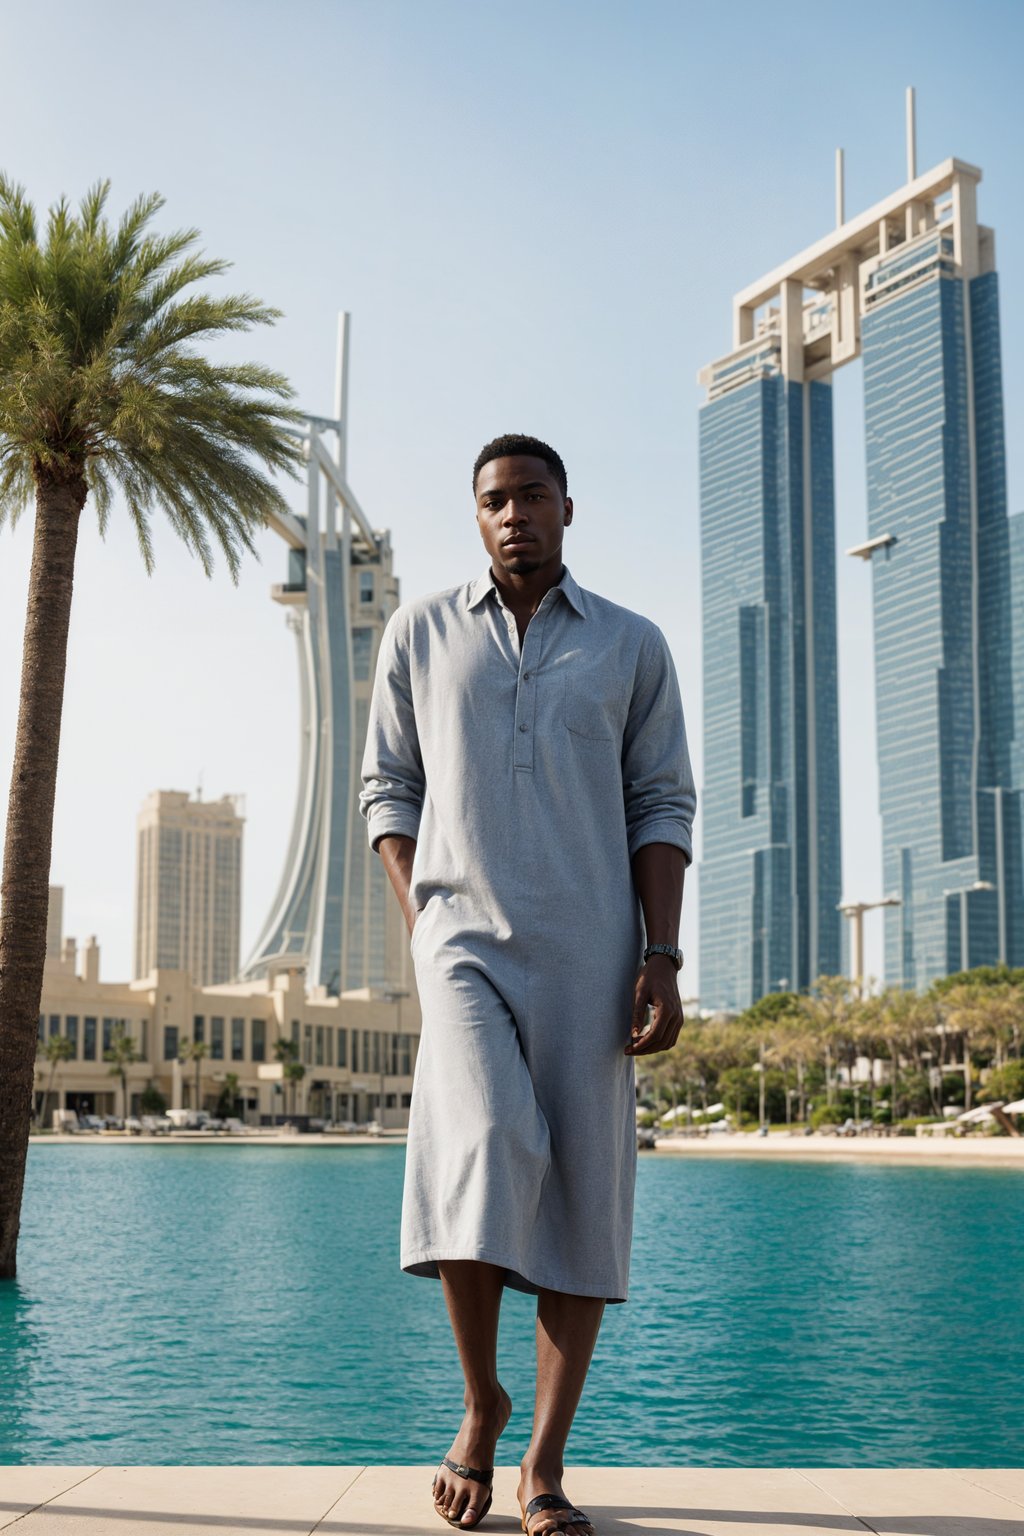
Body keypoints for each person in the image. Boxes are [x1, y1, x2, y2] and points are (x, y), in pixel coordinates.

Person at [359, 433, 696, 1535]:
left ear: (566, 508)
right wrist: (420, 922)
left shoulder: (633, 646)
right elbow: (387, 787)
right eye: (495, 500)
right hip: (458, 938)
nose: (514, 515)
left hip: (594, 949)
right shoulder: (419, 632)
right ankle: (479, 1399)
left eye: (532, 497)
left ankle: (542, 1467)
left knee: (584, 1193)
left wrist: (660, 952)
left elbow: (660, 804)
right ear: (475, 517)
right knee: (483, 1140)